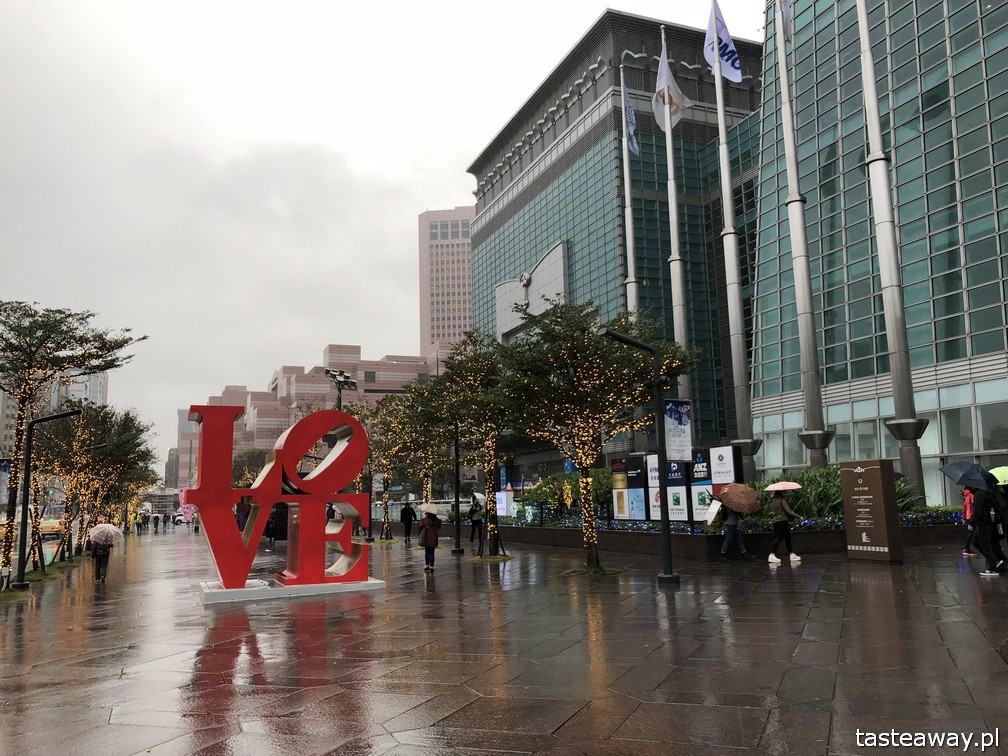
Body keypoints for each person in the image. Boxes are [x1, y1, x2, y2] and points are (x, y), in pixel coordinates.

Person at [969, 485, 1005, 576]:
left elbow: (978, 510)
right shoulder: (988, 491)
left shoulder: (979, 493)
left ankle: (994, 565)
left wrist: (972, 523)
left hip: (984, 522)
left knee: (985, 544)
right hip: (990, 521)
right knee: (977, 541)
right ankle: (997, 561)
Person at [768, 491, 801, 564]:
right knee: (779, 538)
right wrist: (799, 516)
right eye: (784, 491)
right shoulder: (782, 500)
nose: (785, 492)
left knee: (787, 537)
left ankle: (791, 554)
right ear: (781, 492)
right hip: (782, 521)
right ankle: (772, 554)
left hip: (776, 521)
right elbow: (788, 511)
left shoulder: (774, 500)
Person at [91, 516, 112, 583]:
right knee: (104, 565)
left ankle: (97, 579)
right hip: (106, 553)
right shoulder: (108, 535)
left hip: (98, 553)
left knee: (97, 566)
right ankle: (103, 575)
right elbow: (111, 544)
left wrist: (92, 555)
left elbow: (94, 546)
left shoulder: (97, 535)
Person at [963, 487, 976, 557]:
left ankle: (967, 548)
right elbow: (973, 505)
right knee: (972, 533)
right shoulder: (971, 494)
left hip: (969, 516)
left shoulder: (966, 494)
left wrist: (965, 516)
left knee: (972, 533)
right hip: (972, 516)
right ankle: (967, 548)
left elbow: (965, 506)